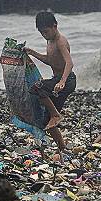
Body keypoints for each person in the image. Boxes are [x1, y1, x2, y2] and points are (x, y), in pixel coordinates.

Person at [24, 12, 76, 156]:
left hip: (67, 80)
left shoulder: (60, 41)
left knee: (37, 87)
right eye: (41, 33)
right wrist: (33, 53)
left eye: (46, 31)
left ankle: (56, 115)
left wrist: (62, 81)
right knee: (47, 121)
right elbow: (50, 60)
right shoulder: (50, 41)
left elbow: (69, 63)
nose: (44, 35)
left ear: (55, 26)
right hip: (58, 80)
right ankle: (63, 148)